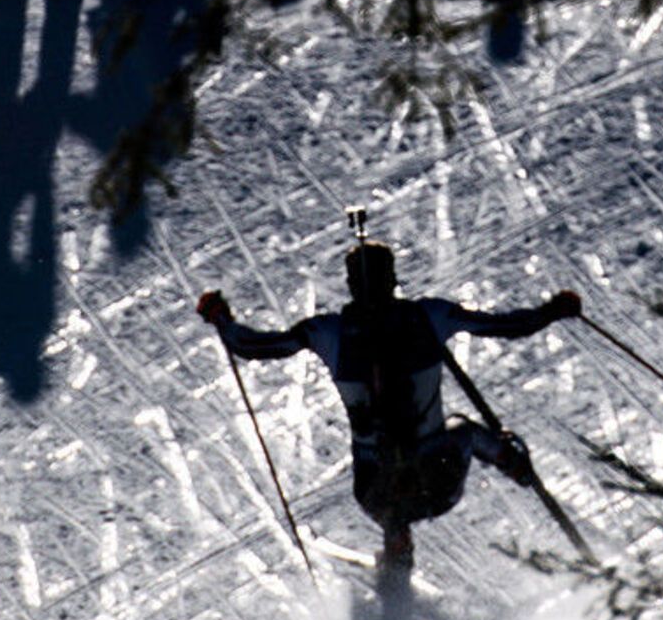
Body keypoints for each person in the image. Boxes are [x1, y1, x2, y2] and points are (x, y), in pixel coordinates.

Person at [196, 240, 581, 577]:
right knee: (464, 431)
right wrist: (551, 311)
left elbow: (256, 347)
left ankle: (397, 545)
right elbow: (503, 325)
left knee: (392, 471)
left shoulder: (328, 333)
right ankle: (511, 463)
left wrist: (223, 321)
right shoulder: (429, 316)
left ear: (350, 285)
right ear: (393, 279)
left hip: (375, 489)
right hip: (440, 478)